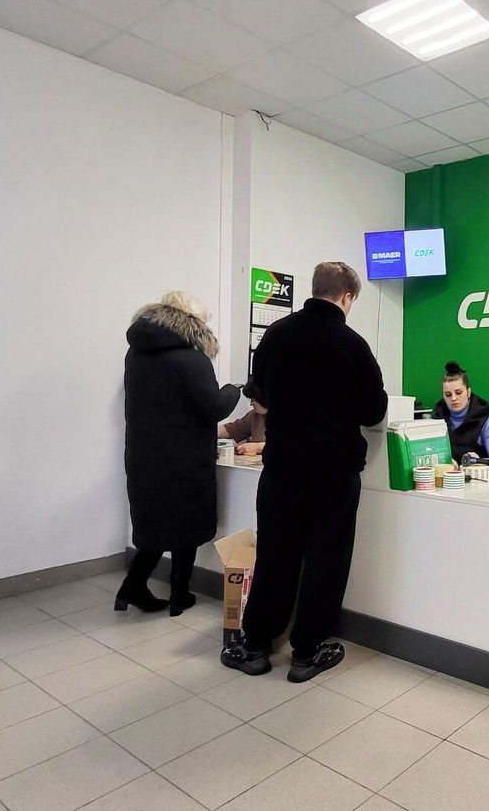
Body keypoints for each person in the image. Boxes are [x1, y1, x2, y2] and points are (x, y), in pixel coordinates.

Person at [221, 262, 388, 682]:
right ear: (347, 297)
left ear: (315, 289)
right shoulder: (353, 345)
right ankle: (307, 652)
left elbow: (259, 396)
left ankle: (256, 646)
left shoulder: (276, 335)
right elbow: (374, 411)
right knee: (326, 560)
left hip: (283, 467)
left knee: (276, 554)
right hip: (335, 472)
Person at [120, 292, 241, 616]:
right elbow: (213, 407)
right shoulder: (192, 359)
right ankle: (179, 594)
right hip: (185, 460)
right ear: (193, 324)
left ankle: (132, 586)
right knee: (186, 529)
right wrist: (233, 390)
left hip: (145, 457)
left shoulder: (136, 354)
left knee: (156, 528)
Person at [433, 362, 489, 474]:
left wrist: (477, 463)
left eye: (459, 392)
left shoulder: (484, 420)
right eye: (448, 395)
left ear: (468, 393)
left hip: (478, 480)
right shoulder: (436, 420)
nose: (454, 398)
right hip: (446, 480)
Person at [219, 380, 267, 456]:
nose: (251, 404)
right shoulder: (255, 415)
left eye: (253, 400)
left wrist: (258, 447)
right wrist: (205, 430)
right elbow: (233, 429)